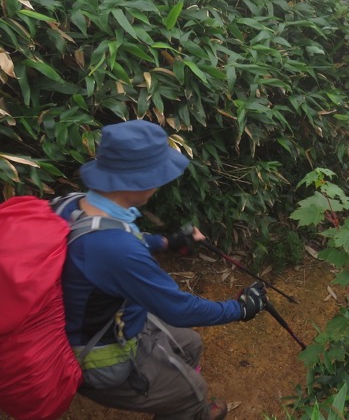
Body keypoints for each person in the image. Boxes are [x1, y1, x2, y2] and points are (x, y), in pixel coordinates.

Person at [55, 120, 270, 420]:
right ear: (140, 181)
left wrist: (166, 241)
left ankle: (176, 400)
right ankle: (188, 405)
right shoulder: (116, 250)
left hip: (106, 320)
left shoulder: (73, 205)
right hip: (103, 355)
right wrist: (241, 308)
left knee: (190, 344)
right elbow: (180, 309)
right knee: (193, 391)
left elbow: (118, 240)